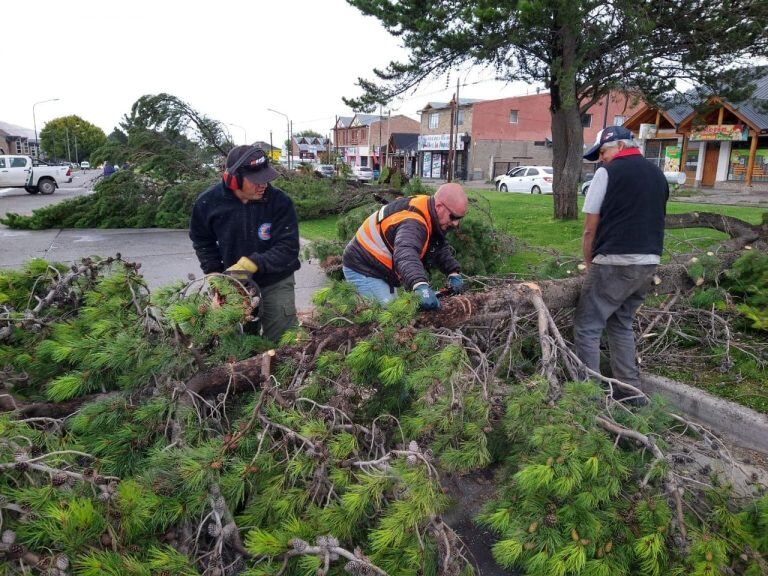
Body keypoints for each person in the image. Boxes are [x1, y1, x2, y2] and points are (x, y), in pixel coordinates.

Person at [574, 126, 669, 390]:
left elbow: (590, 228)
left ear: (620, 146)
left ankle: (587, 395)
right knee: (620, 322)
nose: (600, 159)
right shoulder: (657, 175)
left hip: (614, 259)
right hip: (649, 260)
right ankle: (629, 391)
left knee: (588, 327)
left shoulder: (607, 173)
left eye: (602, 152)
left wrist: (590, 264)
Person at [189, 145, 301, 342]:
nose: (263, 184)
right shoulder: (208, 203)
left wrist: (252, 263)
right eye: (256, 180)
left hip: (276, 279)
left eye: (266, 178)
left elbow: (288, 248)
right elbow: (202, 240)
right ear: (233, 180)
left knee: (284, 341)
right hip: (234, 283)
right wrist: (215, 274)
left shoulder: (279, 202)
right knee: (239, 342)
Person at [342, 182, 468, 310]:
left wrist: (453, 272)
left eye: (460, 218)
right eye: (453, 217)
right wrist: (420, 285)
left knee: (398, 311)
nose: (456, 223)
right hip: (363, 267)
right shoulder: (413, 222)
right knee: (390, 318)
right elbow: (406, 254)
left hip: (380, 267)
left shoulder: (428, 208)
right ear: (440, 207)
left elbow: (437, 244)